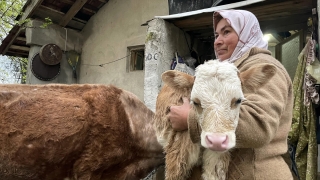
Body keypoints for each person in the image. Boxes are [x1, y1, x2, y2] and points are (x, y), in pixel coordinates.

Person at [168, 9, 295, 179]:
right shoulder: (231, 69)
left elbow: (258, 125)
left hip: (258, 174)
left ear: (246, 32)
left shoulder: (263, 66)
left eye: (226, 32)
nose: (217, 42)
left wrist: (188, 118)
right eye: (216, 35)